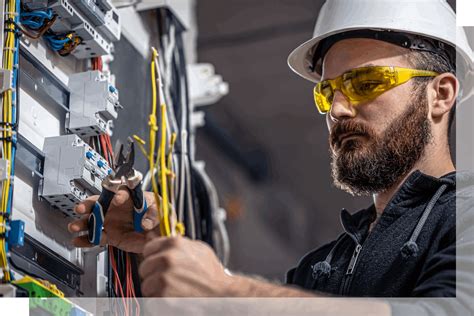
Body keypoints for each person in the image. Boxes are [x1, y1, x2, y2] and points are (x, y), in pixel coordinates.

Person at [68, 0, 473, 314]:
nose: (338, 110)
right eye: (327, 92)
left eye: (365, 82)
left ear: (440, 94)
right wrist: (159, 254)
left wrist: (227, 292)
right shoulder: (322, 268)